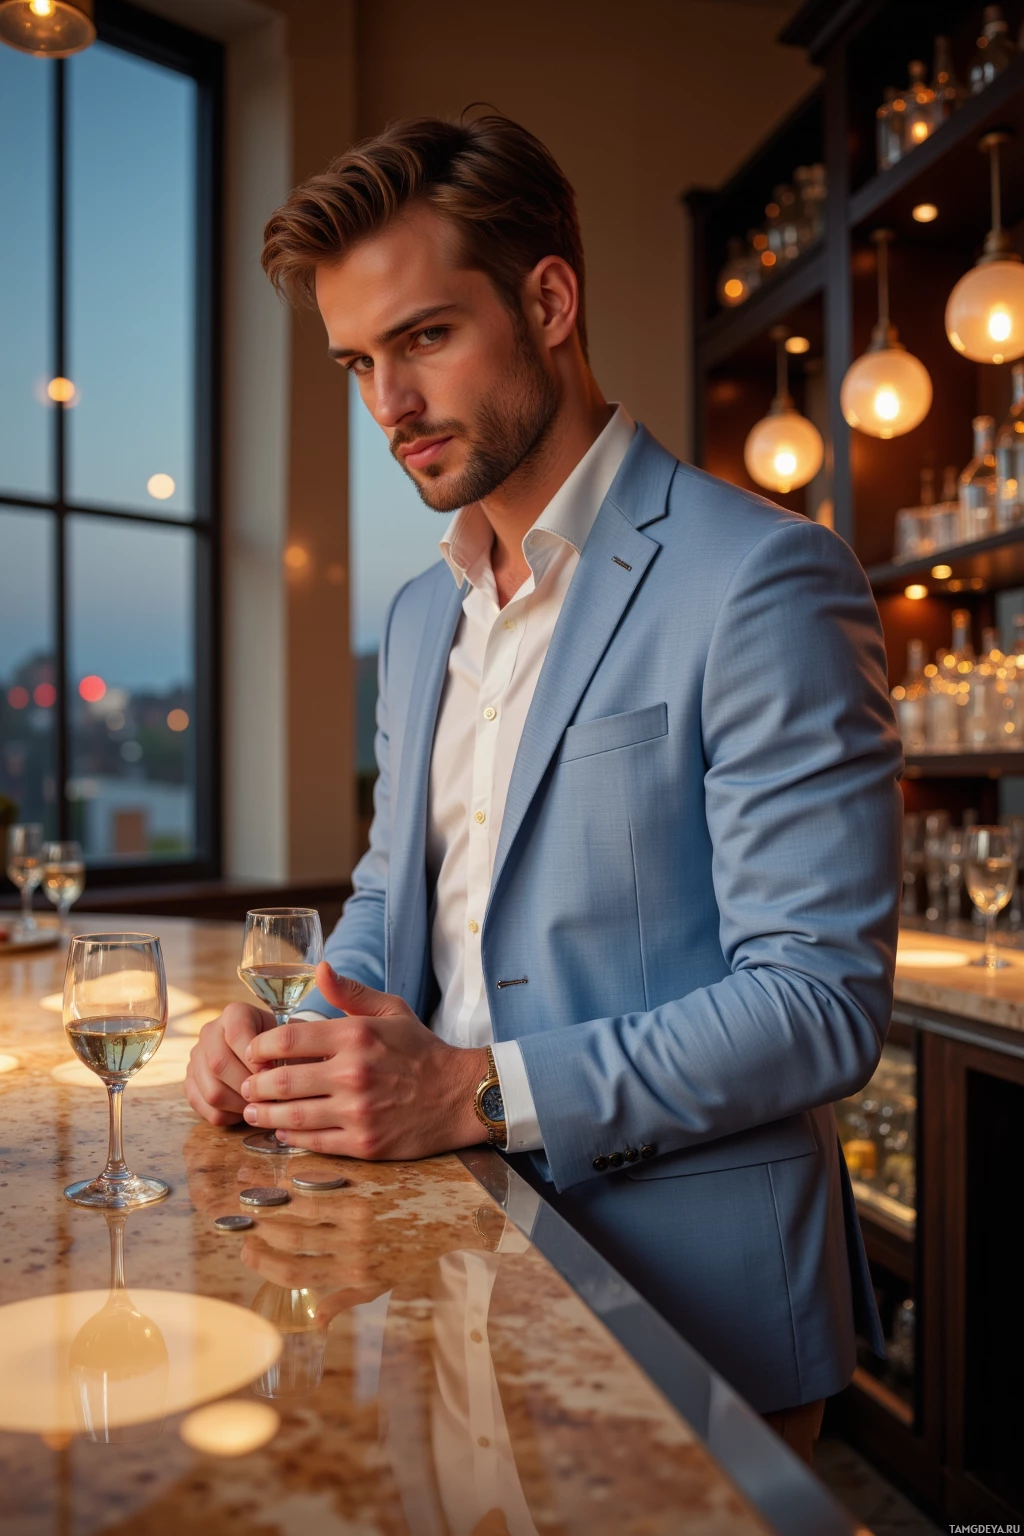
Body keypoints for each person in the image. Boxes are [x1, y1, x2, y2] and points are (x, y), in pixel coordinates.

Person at [185, 113, 903, 1461]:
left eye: (423, 339)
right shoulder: (416, 616)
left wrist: (470, 1093)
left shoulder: (764, 579)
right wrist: (289, 1030)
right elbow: (401, 894)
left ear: (550, 301)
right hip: (451, 1259)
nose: (387, 407)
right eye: (356, 362)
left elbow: (819, 1002)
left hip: (695, 1305)